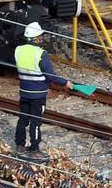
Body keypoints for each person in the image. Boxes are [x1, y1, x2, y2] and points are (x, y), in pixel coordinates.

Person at [14, 21, 72, 155]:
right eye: (40, 36)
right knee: (35, 121)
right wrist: (65, 82)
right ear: (36, 38)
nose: (41, 38)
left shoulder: (18, 50)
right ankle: (34, 148)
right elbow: (50, 76)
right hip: (38, 94)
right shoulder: (40, 54)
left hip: (24, 92)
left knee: (23, 119)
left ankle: (19, 144)